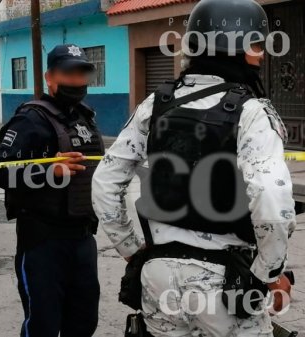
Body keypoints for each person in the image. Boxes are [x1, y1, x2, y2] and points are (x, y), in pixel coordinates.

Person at [91, 0, 296, 336]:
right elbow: (271, 197)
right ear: (235, 48)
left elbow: (104, 182)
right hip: (225, 282)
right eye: (256, 45)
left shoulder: (157, 103)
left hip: (157, 276)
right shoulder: (252, 112)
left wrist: (130, 249)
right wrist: (269, 274)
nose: (261, 55)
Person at [0, 44, 103, 337]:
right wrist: (47, 171)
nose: (76, 81)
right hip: (42, 241)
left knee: (83, 322)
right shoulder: (30, 119)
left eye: (81, 73)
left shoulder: (85, 118)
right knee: (43, 325)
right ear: (49, 78)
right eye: (68, 73)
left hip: (82, 238)